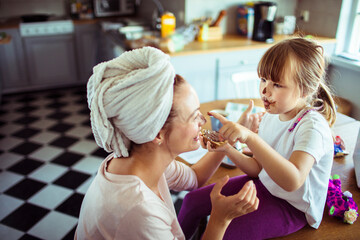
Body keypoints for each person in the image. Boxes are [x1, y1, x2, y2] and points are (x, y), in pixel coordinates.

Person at [75, 46, 259, 240]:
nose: (203, 122)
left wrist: (228, 140)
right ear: (158, 134)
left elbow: (195, 178)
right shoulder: (138, 212)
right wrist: (220, 219)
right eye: (194, 116)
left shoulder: (140, 159)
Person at [178, 37, 336, 239]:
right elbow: (258, 169)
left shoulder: (312, 127)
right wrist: (228, 149)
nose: (265, 90)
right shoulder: (270, 115)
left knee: (228, 231)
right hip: (264, 186)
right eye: (263, 79)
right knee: (192, 201)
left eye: (277, 84)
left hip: (293, 207)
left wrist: (251, 138)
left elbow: (292, 181)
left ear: (306, 89)